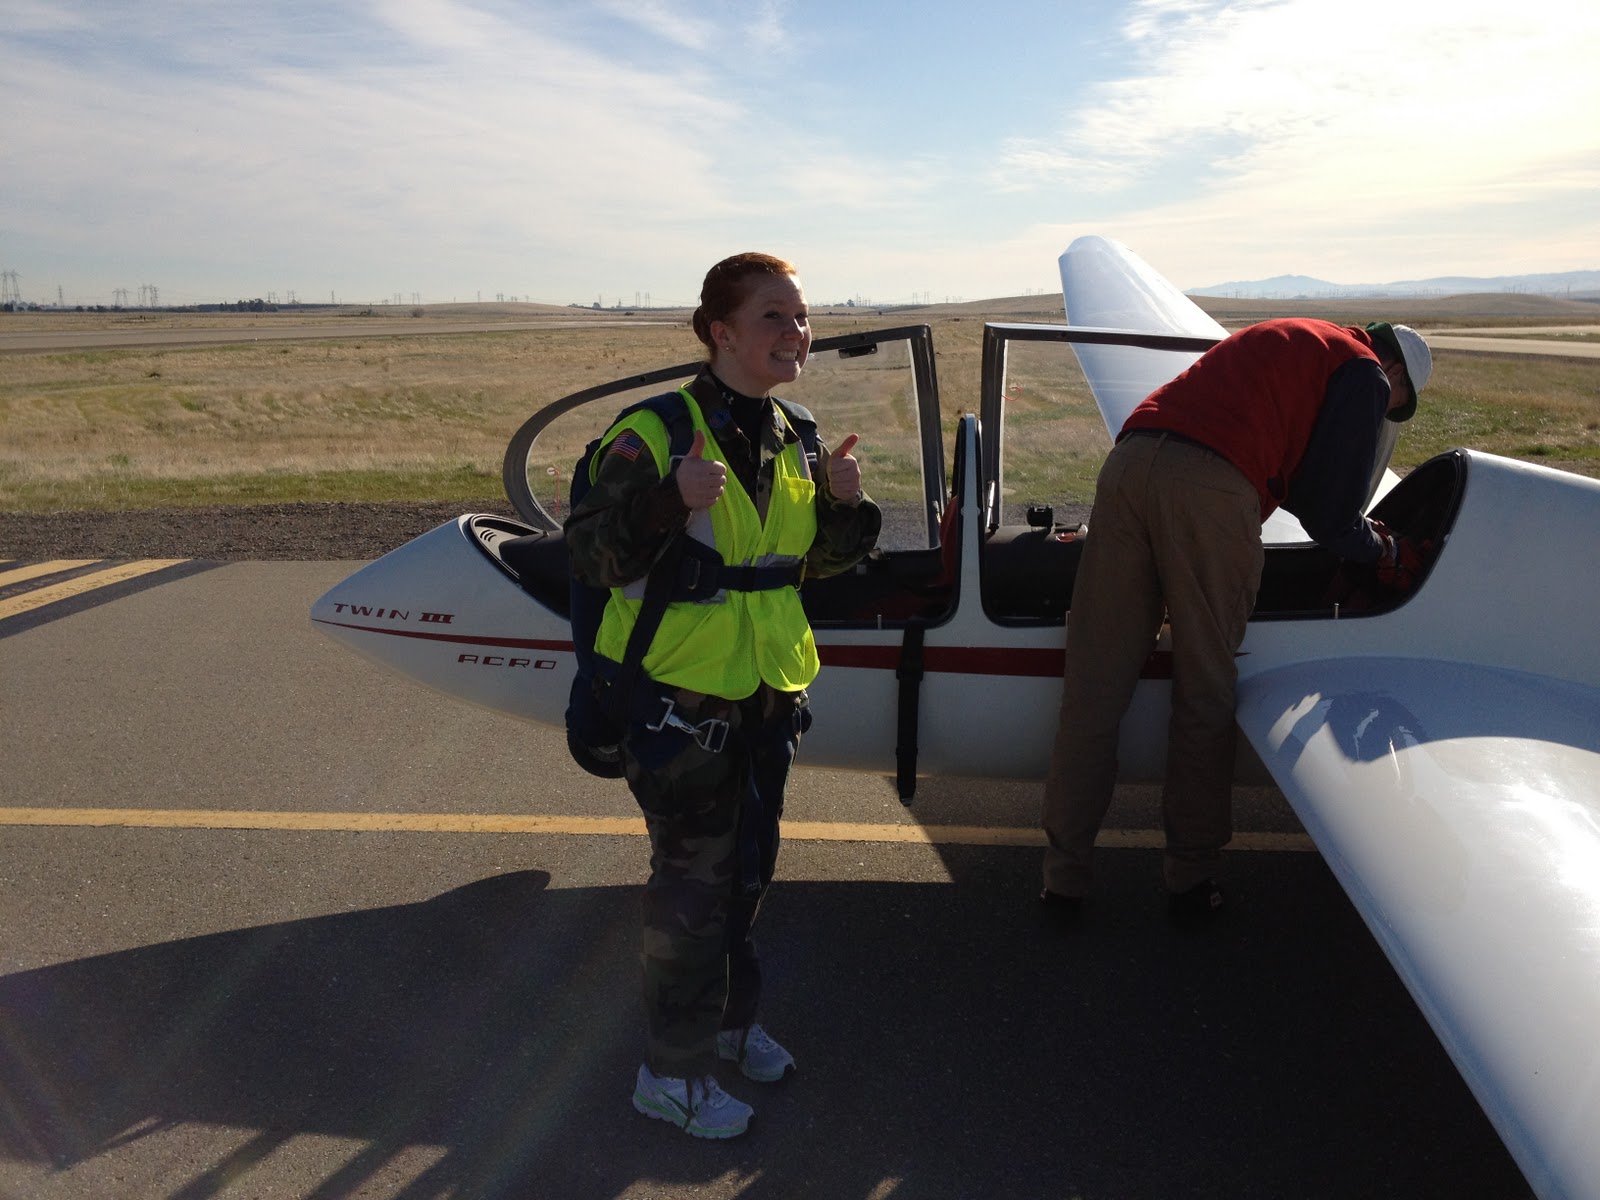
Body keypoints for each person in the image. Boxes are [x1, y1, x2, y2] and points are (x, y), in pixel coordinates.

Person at [565, 252, 881, 1138]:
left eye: (803, 317)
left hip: (769, 697)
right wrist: (666, 501)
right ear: (722, 332)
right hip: (679, 702)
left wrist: (847, 510)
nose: (797, 333)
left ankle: (733, 1028)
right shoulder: (655, 431)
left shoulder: (799, 432)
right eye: (775, 317)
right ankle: (670, 1074)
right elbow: (588, 558)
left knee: (747, 875)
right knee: (691, 892)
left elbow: (806, 567)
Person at [1039, 318, 1433, 924]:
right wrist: (1383, 550)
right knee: (1205, 692)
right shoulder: (1365, 371)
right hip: (1212, 488)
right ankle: (1191, 881)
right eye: (1395, 403)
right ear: (1397, 372)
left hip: (1130, 461)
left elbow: (1300, 478)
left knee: (1094, 690)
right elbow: (1329, 517)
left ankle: (1062, 882)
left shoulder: (1304, 340)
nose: (1385, 405)